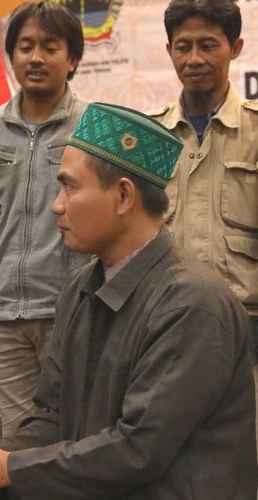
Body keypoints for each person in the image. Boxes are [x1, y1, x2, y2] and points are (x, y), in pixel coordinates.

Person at [0, 103, 258, 499]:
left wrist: (3, 468)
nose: (56, 204)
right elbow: (51, 416)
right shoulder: (79, 289)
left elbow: (138, 450)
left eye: (70, 187)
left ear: (124, 196)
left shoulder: (193, 305)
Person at [0, 0, 88, 440]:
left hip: (72, 312)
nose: (36, 57)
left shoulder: (92, 130)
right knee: (19, 438)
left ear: (73, 60)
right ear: (11, 56)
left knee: (75, 431)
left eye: (50, 46)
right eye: (25, 46)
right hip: (2, 318)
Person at [147, 0, 258, 444]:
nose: (194, 59)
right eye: (184, 46)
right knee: (172, 447)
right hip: (163, 322)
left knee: (245, 449)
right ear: (170, 50)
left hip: (246, 323)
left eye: (208, 45)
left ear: (235, 48)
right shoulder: (150, 137)